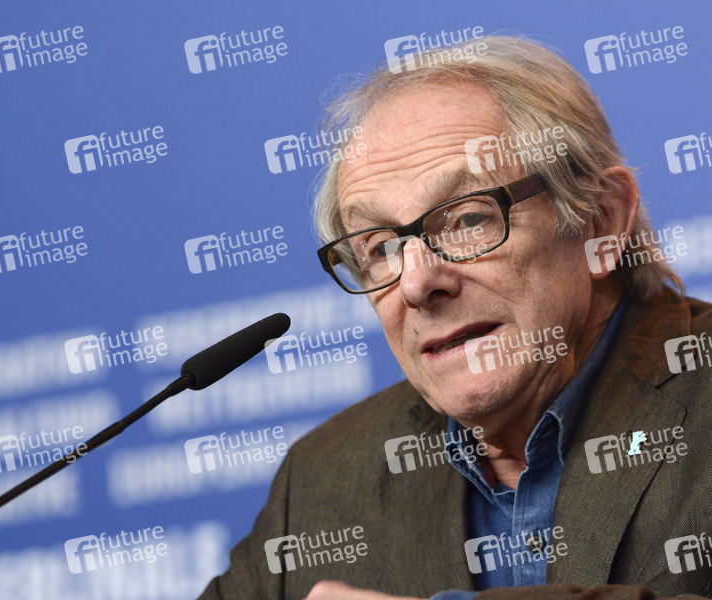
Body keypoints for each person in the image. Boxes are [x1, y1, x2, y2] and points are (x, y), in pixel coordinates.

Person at [196, 36, 712, 600]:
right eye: (379, 247)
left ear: (601, 222)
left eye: (468, 219)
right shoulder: (325, 479)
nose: (416, 284)